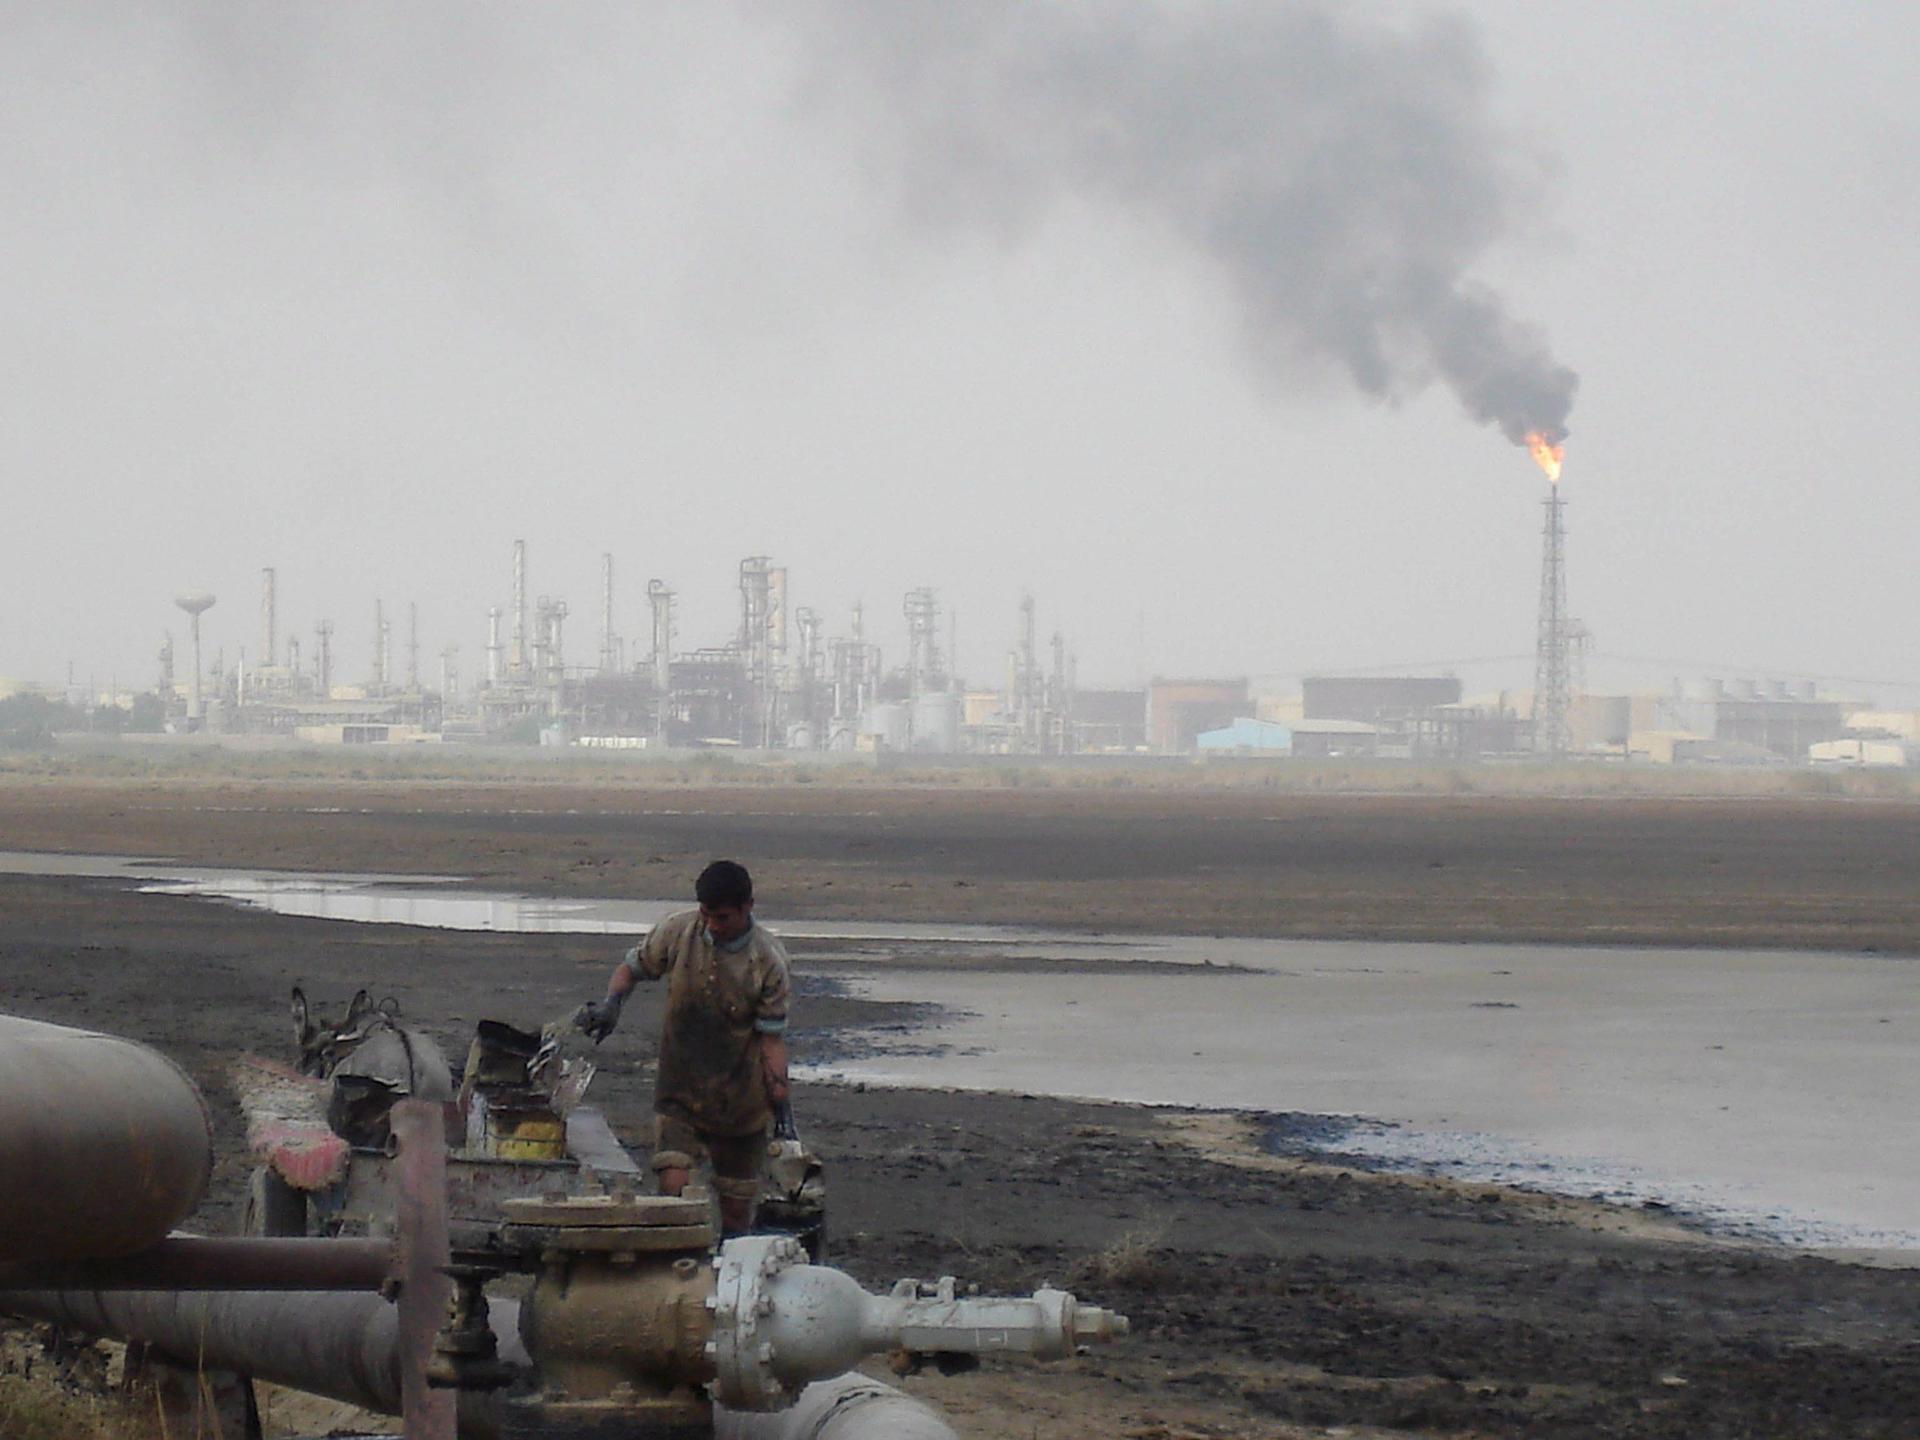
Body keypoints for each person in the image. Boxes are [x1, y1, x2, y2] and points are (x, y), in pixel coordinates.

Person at [576, 859, 791, 1236]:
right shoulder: (678, 931)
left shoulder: (768, 962)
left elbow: (771, 1042)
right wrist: (612, 1005)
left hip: (740, 1104)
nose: (713, 925)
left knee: (737, 1218)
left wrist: (783, 1110)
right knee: (672, 1199)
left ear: (747, 908)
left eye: (723, 917)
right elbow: (632, 968)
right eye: (707, 915)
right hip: (680, 1093)